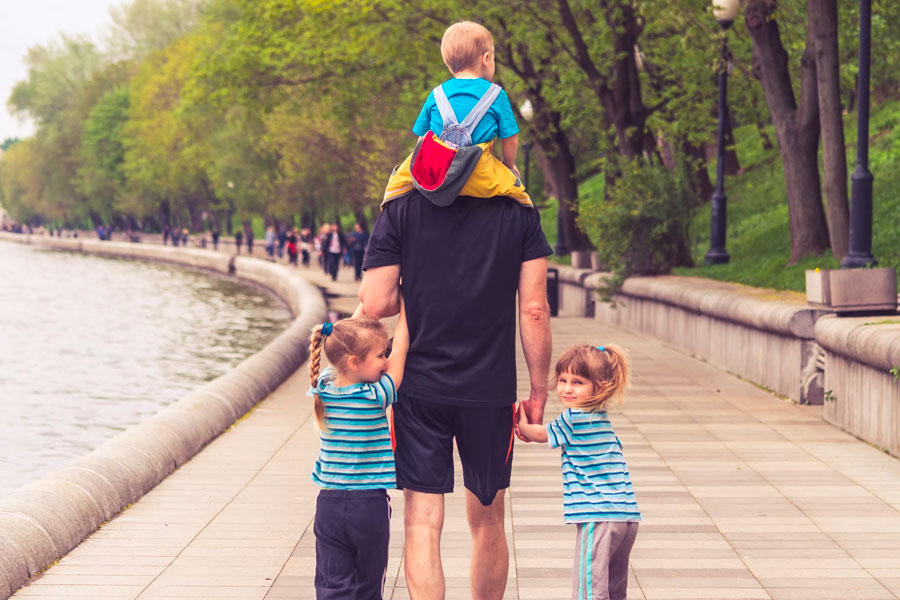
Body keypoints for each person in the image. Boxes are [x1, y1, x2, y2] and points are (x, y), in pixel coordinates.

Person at [358, 176, 552, 596]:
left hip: (418, 387)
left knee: (423, 520)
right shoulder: (518, 209)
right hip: (490, 390)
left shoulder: (403, 206)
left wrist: (415, 295)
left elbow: (374, 302)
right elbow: (534, 310)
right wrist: (539, 391)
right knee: (488, 519)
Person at [516, 344, 640, 600]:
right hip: (627, 517)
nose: (567, 388)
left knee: (589, 587)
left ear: (600, 386)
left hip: (599, 515)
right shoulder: (601, 417)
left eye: (578, 382)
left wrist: (521, 422)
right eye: (562, 380)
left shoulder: (574, 418)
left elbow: (540, 434)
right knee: (615, 587)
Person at [307, 304, 410, 599]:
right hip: (368, 504)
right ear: (354, 362)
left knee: (331, 583)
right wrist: (406, 310)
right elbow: (401, 350)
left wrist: (367, 306)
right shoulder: (374, 396)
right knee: (368, 582)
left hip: (328, 503)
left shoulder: (323, 388)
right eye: (380, 355)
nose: (386, 360)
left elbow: (339, 347)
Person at [381, 21, 530, 208]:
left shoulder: (436, 95)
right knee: (521, 199)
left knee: (395, 186)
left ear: (450, 65)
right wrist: (508, 165)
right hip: (480, 174)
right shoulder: (496, 95)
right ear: (486, 59)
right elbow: (510, 139)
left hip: (439, 173)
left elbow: (422, 140)